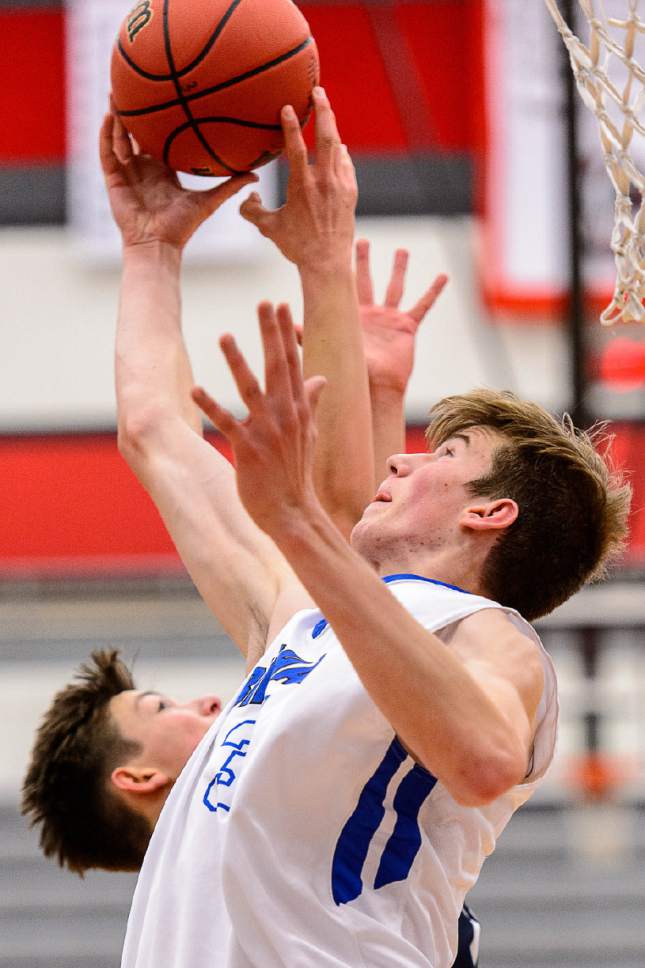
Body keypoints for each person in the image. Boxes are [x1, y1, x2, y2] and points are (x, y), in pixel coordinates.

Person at [23, 90, 482, 966]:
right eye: (158, 707)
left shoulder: (291, 673)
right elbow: (345, 536)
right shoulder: (237, 783)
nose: (199, 698)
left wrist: (151, 248)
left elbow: (162, 432)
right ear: (138, 779)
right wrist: (321, 274)